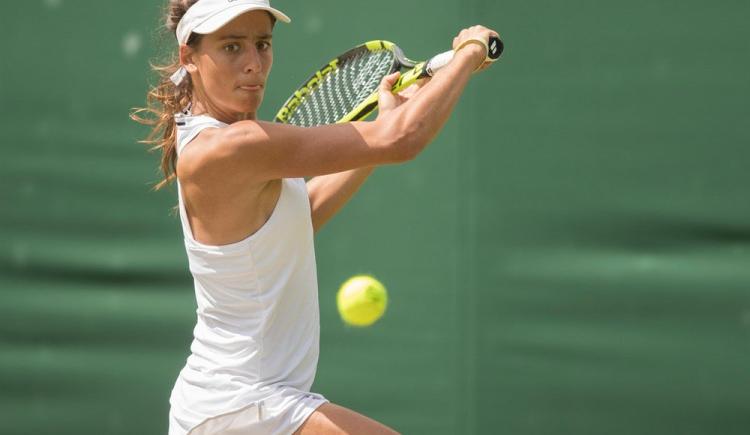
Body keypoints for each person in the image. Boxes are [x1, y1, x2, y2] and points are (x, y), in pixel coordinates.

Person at [131, 0, 499, 433]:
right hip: (240, 405)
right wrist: (469, 52)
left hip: (232, 407)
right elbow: (403, 139)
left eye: (262, 44)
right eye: (232, 47)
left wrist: (385, 125)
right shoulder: (229, 147)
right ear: (188, 58)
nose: (253, 63)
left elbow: (300, 216)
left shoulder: (229, 143)